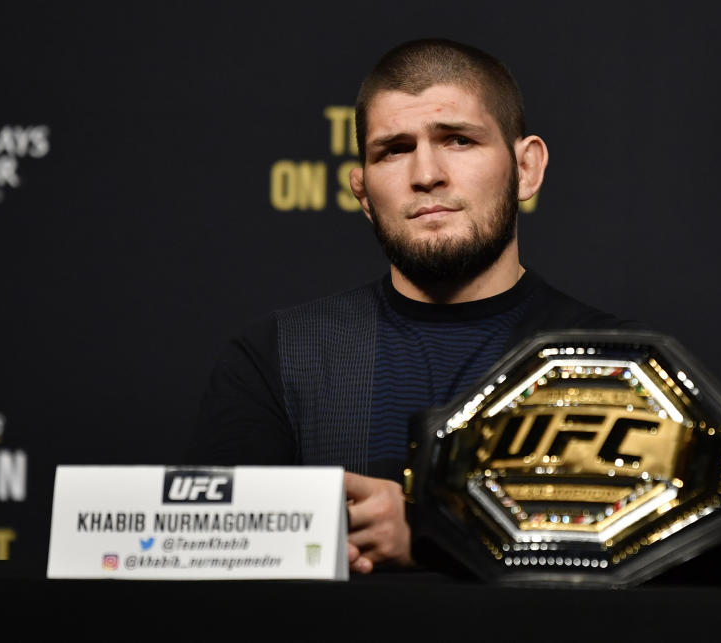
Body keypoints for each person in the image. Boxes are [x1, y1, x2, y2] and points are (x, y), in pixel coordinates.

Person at [189, 38, 638, 575]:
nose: (426, 173)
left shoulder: (619, 362)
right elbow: (220, 581)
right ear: (362, 190)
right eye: (394, 150)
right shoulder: (276, 358)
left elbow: (647, 565)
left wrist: (438, 532)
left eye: (458, 140)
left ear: (527, 169)